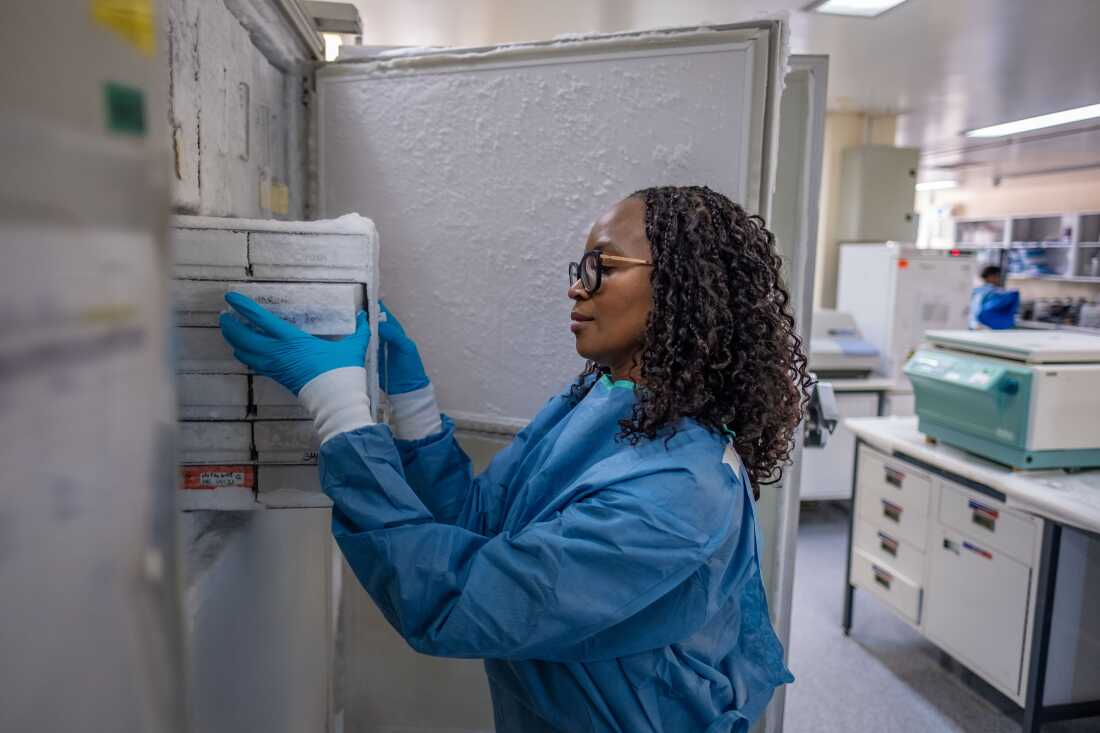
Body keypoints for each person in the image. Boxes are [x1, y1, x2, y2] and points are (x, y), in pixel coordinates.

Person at [219, 185, 811, 732]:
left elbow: (454, 600)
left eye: (601, 267)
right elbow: (483, 524)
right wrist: (414, 404)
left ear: (682, 286)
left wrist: (340, 414)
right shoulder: (604, 400)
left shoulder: (675, 492)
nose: (577, 287)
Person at [969, 265, 1020, 329]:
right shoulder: (981, 293)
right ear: (989, 276)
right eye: (996, 276)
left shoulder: (999, 292)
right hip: (983, 327)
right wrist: (975, 325)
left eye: (998, 276)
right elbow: (975, 310)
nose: (998, 278)